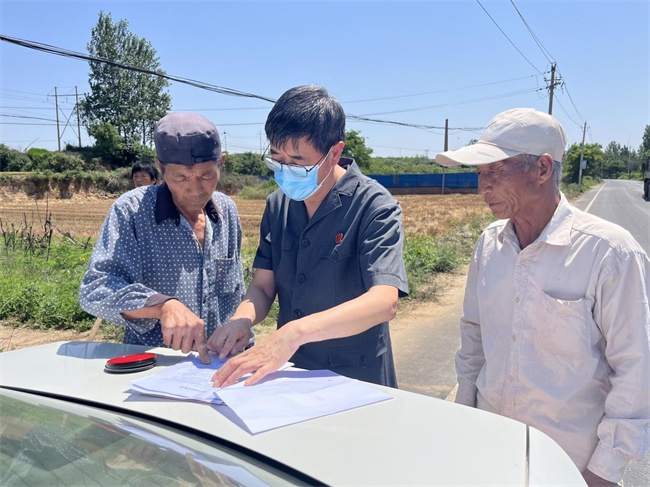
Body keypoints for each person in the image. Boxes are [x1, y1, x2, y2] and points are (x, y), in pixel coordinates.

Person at [435, 108, 650, 487]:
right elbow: (474, 340)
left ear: (543, 168)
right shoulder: (490, 245)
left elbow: (636, 369)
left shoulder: (609, 253)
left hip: (571, 466)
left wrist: (603, 472)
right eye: (480, 174)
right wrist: (463, 420)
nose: (483, 188)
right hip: (490, 451)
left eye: (495, 171)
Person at [209, 85, 408, 388]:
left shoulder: (374, 206)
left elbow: (383, 302)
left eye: (297, 161)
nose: (285, 170)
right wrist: (241, 320)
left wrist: (295, 332)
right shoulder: (278, 205)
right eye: (276, 158)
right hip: (290, 371)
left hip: (356, 378)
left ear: (335, 153)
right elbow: (263, 286)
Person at [79, 113, 246, 364]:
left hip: (220, 366)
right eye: (180, 177)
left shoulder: (226, 212)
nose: (195, 189)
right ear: (160, 167)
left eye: (206, 175)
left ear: (221, 163)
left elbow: (237, 294)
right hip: (154, 366)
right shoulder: (132, 211)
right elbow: (95, 289)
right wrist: (161, 306)